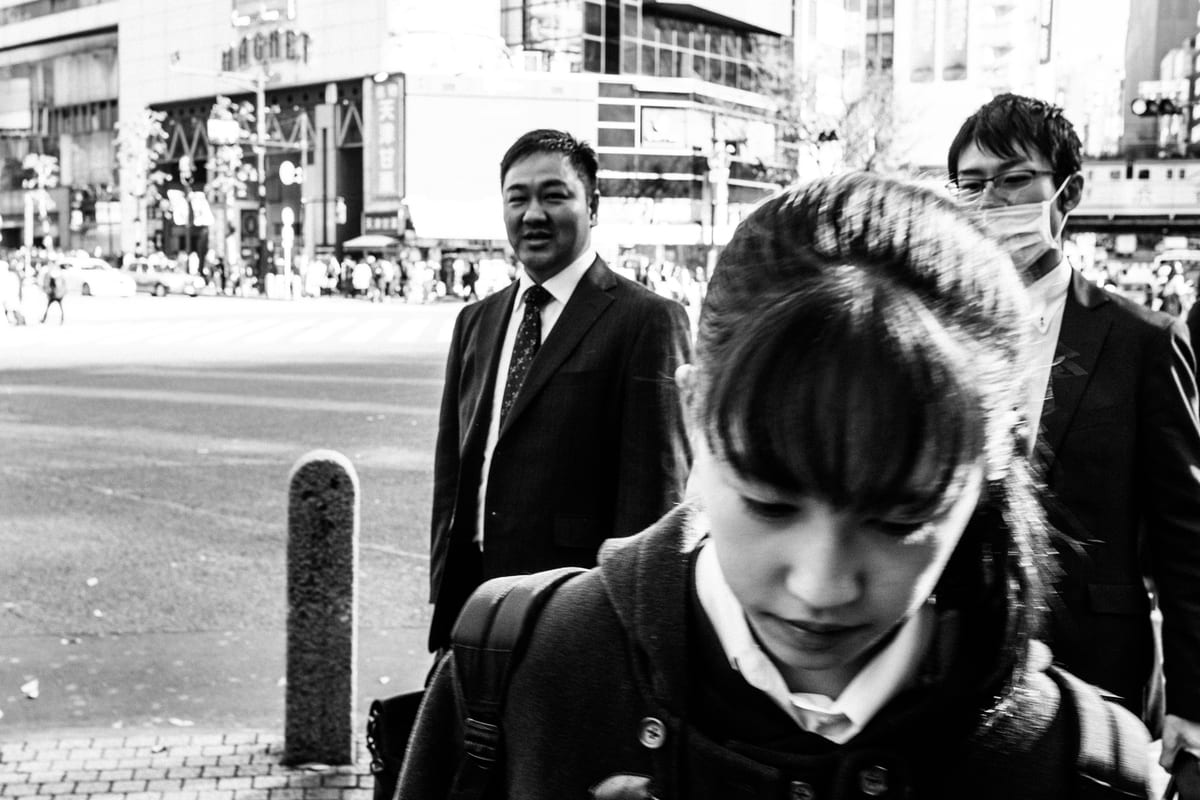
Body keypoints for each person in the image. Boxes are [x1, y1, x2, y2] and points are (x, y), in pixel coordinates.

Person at [398, 172, 1152, 799]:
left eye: (899, 519)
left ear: (999, 459)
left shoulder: (1089, 768)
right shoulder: (517, 674)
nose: (822, 585)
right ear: (694, 414)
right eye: (769, 502)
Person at [948, 93, 1200, 778]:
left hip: (1099, 668)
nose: (992, 201)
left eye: (1014, 179)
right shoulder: (936, 333)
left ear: (1069, 191)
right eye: (972, 185)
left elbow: (1185, 534)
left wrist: (1194, 701)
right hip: (958, 661)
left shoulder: (1142, 340)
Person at [426, 128, 692, 653]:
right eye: (517, 198)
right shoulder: (476, 322)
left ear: (592, 207)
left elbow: (656, 494)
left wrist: (625, 627)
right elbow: (453, 471)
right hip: (472, 598)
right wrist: (444, 583)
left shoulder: (647, 321)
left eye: (554, 196)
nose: (533, 214)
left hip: (575, 606)